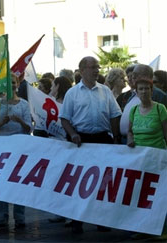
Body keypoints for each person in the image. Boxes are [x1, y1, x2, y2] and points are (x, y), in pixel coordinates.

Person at [59, 56, 122, 234]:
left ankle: (101, 220)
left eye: (98, 67)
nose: (97, 70)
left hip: (103, 139)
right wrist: (73, 134)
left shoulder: (105, 91)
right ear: (82, 70)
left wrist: (115, 137)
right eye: (93, 67)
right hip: (81, 141)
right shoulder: (73, 93)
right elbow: (64, 118)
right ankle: (77, 220)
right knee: (80, 181)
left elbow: (115, 114)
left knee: (103, 182)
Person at [0, 73, 32, 230]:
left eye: (13, 82)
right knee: (3, 183)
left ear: (17, 83)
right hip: (2, 149)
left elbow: (29, 128)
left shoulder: (24, 104)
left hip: (20, 149)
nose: (11, 85)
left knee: (19, 183)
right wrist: (2, 123)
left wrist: (19, 121)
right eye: (8, 82)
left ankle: (20, 217)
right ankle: (2, 217)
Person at [127, 77, 167, 240]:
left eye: (147, 89)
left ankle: (162, 230)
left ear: (152, 91)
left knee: (159, 196)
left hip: (158, 160)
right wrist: (130, 138)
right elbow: (129, 131)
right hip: (140, 161)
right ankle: (143, 228)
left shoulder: (160, 109)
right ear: (136, 92)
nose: (144, 92)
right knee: (141, 195)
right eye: (140, 89)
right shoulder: (134, 110)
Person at [120, 64, 167, 143]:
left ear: (147, 76)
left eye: (136, 74)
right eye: (132, 75)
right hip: (130, 143)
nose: (132, 77)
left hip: (152, 147)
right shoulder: (132, 95)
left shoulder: (159, 95)